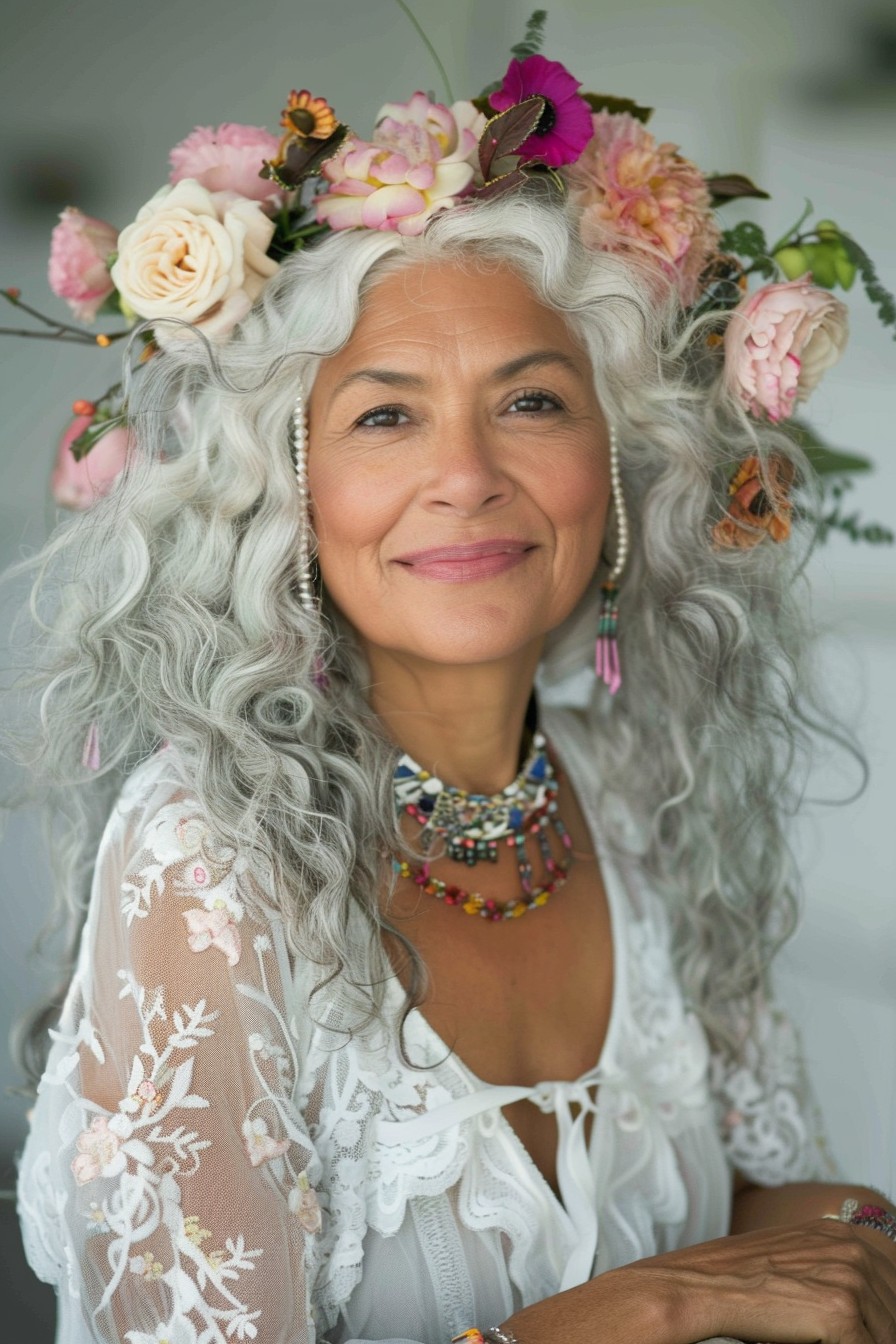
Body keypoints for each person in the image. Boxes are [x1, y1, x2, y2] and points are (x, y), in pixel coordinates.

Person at [9, 185, 896, 1342]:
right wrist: (652, 1308)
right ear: (288, 491)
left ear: (618, 468)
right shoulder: (207, 855)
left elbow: (723, 1209)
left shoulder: (639, 795)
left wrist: (859, 1232)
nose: (467, 474)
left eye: (531, 401)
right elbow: (678, 1283)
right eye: (386, 417)